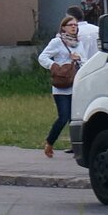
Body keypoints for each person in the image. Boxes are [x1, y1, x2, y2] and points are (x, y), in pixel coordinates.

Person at [37, 14, 84, 158]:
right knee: (63, 117)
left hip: (75, 83)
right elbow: (42, 57)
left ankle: (77, 148)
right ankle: (49, 142)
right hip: (61, 86)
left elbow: (85, 60)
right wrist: (55, 66)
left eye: (76, 25)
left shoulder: (79, 43)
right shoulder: (57, 42)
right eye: (71, 25)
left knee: (74, 118)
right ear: (64, 27)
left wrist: (79, 59)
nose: (74, 28)